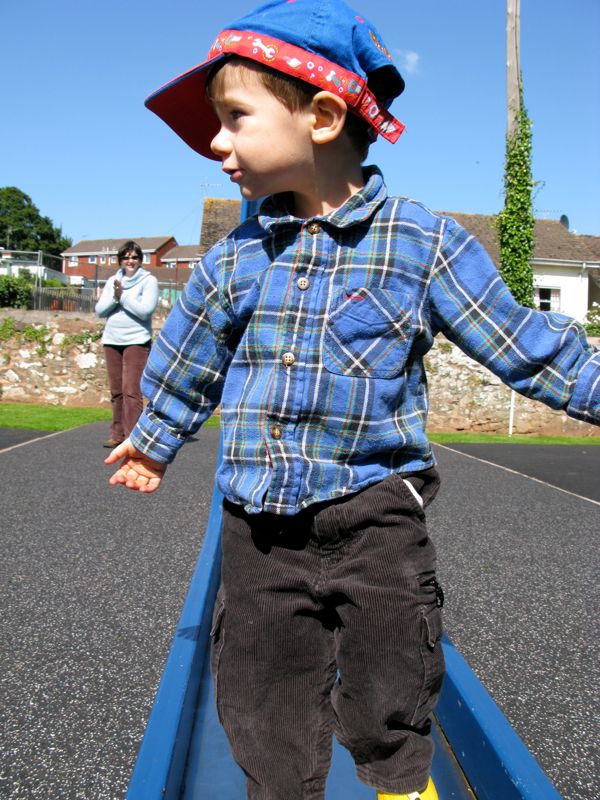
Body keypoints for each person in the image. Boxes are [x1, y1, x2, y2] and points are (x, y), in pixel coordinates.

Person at [105, 1, 600, 798]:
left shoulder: (421, 242)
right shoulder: (235, 259)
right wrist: (155, 437)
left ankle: (402, 785)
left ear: (324, 116)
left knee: (391, 676)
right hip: (259, 530)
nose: (216, 142)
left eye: (234, 118)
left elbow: (523, 343)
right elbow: (187, 357)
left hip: (376, 515)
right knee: (261, 692)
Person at [95, 240, 159, 448]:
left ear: (140, 260)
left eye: (134, 257)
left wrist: (122, 298)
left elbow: (145, 310)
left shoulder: (149, 281)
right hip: (112, 340)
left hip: (137, 340)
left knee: (132, 390)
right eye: (126, 257)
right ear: (120, 260)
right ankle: (118, 434)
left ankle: (133, 437)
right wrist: (115, 297)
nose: (130, 261)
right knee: (116, 391)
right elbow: (100, 310)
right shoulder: (113, 281)